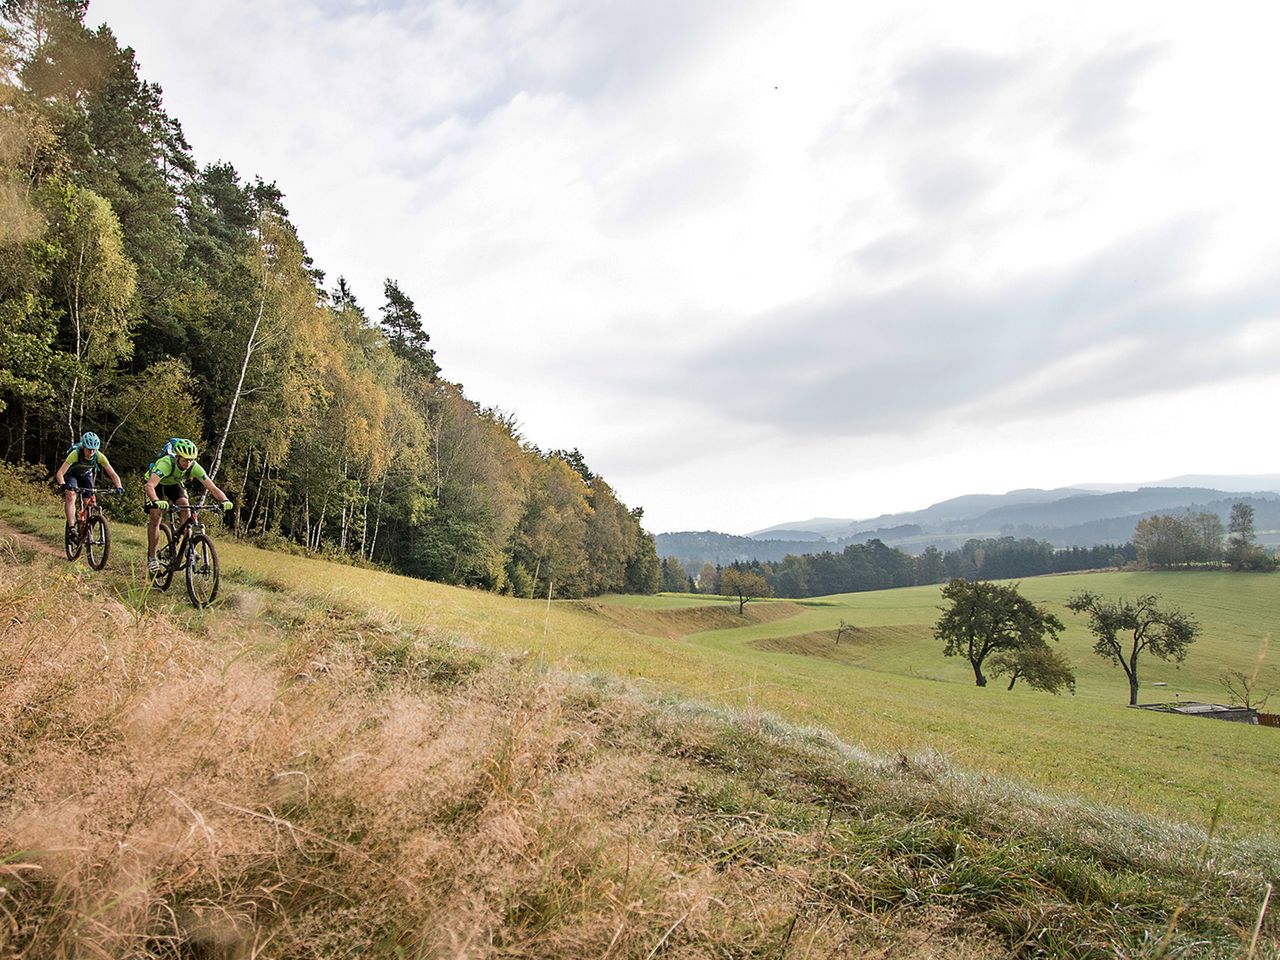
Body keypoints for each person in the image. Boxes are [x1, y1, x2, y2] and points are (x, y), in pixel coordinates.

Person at [142, 438, 233, 574]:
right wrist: (156, 500)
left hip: (173, 484)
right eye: (185, 460)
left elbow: (212, 487)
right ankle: (152, 558)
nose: (188, 463)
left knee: (185, 505)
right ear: (177, 457)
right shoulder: (165, 463)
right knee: (156, 516)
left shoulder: (194, 467)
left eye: (191, 460)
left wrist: (225, 500)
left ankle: (186, 546)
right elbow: (149, 486)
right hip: (156, 484)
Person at [53, 432, 124, 543]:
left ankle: (84, 527)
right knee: (71, 496)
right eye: (89, 449)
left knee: (89, 502)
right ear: (83, 447)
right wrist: (63, 484)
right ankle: (71, 528)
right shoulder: (75, 454)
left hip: (86, 475)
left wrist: (119, 486)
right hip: (71, 475)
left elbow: (113, 474)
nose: (91, 452)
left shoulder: (99, 456)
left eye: (94, 449)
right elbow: (60, 473)